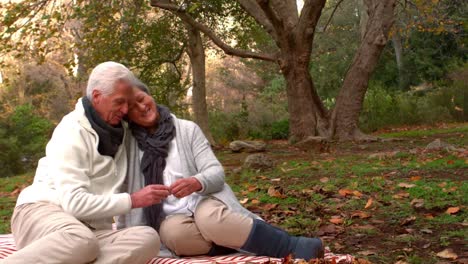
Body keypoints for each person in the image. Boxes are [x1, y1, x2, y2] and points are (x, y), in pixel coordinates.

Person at [117, 81, 324, 260]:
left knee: (209, 219)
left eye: (142, 98)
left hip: (203, 200)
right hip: (171, 217)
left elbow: (216, 172)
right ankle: (234, 240)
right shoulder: (129, 146)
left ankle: (291, 245)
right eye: (134, 107)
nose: (142, 107)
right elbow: (122, 190)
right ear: (129, 117)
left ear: (150, 95)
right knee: (174, 235)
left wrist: (196, 182)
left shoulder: (187, 129)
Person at [2, 62, 167, 264]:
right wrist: (133, 200)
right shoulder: (72, 130)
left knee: (147, 238)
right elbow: (75, 204)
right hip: (42, 211)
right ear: (97, 97)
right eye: (119, 102)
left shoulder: (121, 133)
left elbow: (155, 126)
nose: (126, 109)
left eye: (128, 103)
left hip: (90, 231)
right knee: (81, 242)